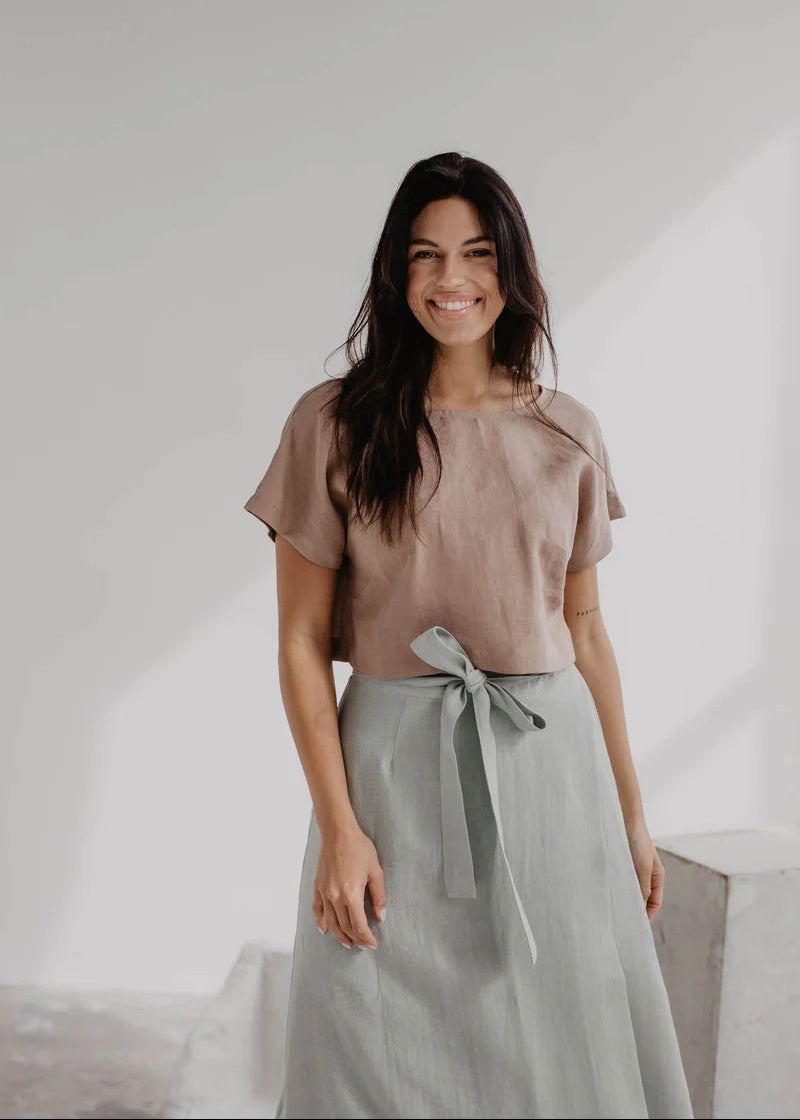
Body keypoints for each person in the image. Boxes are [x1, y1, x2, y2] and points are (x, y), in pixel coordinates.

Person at [243, 153, 694, 1119]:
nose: (453, 281)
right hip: (397, 773)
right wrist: (339, 830)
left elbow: (587, 633)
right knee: (369, 1035)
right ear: (396, 274)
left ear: (512, 271)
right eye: (426, 256)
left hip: (550, 771)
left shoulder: (568, 431)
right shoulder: (333, 424)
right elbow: (296, 643)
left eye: (477, 254)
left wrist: (630, 815)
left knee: (558, 1038)